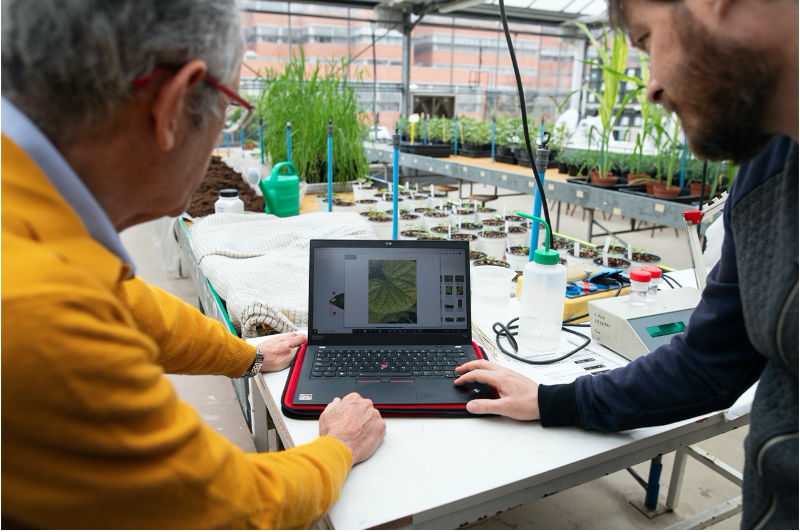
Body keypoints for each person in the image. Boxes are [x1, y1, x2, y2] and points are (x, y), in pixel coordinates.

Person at [1, 0, 385, 528]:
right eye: (231, 110)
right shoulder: (40, 318)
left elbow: (128, 300)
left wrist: (245, 354)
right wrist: (338, 445)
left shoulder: (27, 214)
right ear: (175, 104)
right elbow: (234, 507)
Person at [454, 0, 798, 528]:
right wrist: (549, 400)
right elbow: (707, 363)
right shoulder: (766, 174)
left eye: (644, 40)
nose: (651, 88)